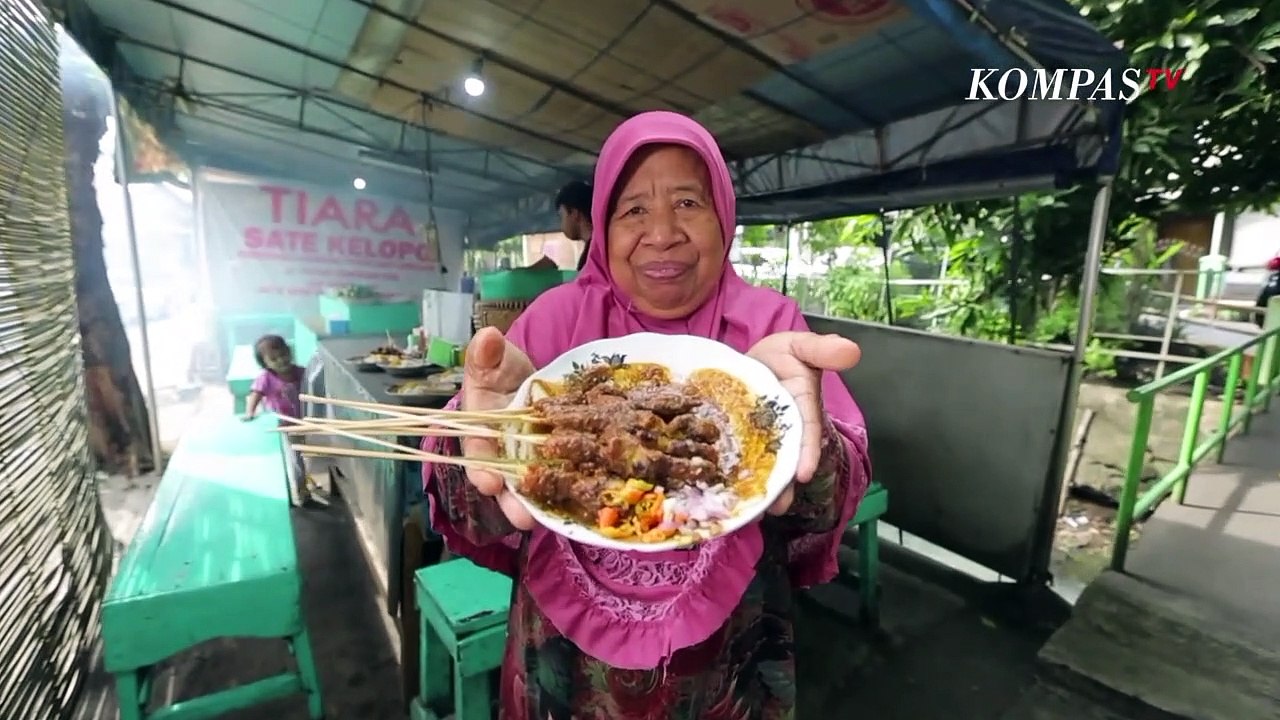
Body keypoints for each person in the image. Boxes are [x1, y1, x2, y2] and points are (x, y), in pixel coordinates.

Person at [422, 111, 870, 719]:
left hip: (729, 665)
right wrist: (472, 446)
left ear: (723, 217)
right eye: (633, 209)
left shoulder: (770, 327)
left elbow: (826, 504)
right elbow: (472, 501)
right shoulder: (553, 323)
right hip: (564, 665)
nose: (662, 233)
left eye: (688, 201)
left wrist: (806, 456)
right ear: (603, 225)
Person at [244, 334, 311, 504]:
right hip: (281, 426)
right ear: (265, 363)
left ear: (289, 351)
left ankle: (302, 488)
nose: (281, 360)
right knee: (293, 461)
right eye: (274, 359)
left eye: (283, 355)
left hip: (302, 422)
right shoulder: (266, 378)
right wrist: (250, 412)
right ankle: (299, 495)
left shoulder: (301, 372)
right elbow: (255, 395)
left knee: (302, 458)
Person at [555, 180, 593, 270]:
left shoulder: (592, 258)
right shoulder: (604, 246)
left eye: (562, 216)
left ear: (574, 213)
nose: (561, 226)